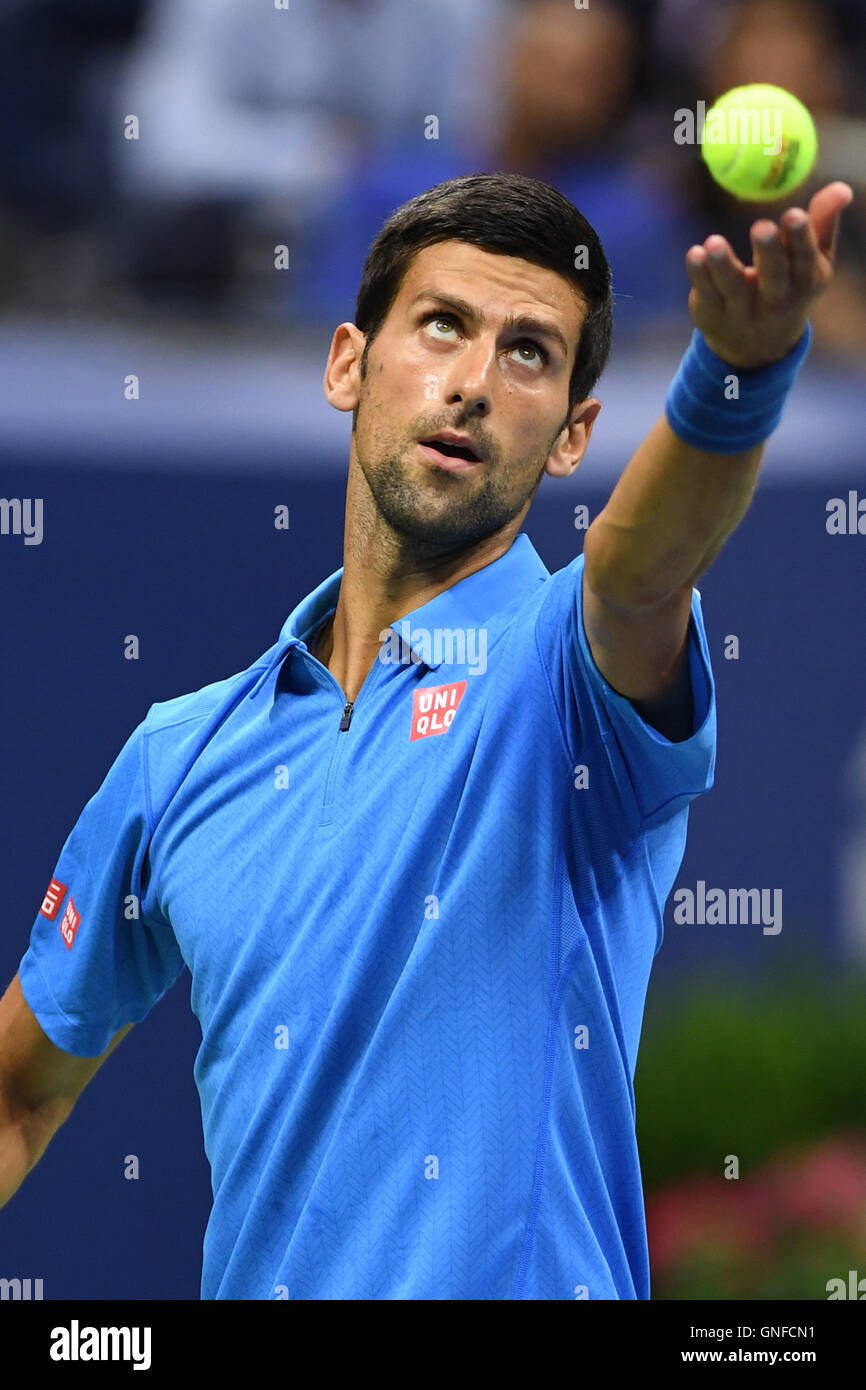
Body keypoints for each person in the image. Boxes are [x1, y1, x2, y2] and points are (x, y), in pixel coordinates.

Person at [0, 171, 852, 1299]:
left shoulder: (565, 675)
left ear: (572, 436)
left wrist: (735, 374)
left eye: (529, 353)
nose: (474, 384)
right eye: (443, 324)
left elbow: (641, 569)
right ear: (348, 364)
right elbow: (19, 1089)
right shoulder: (178, 757)